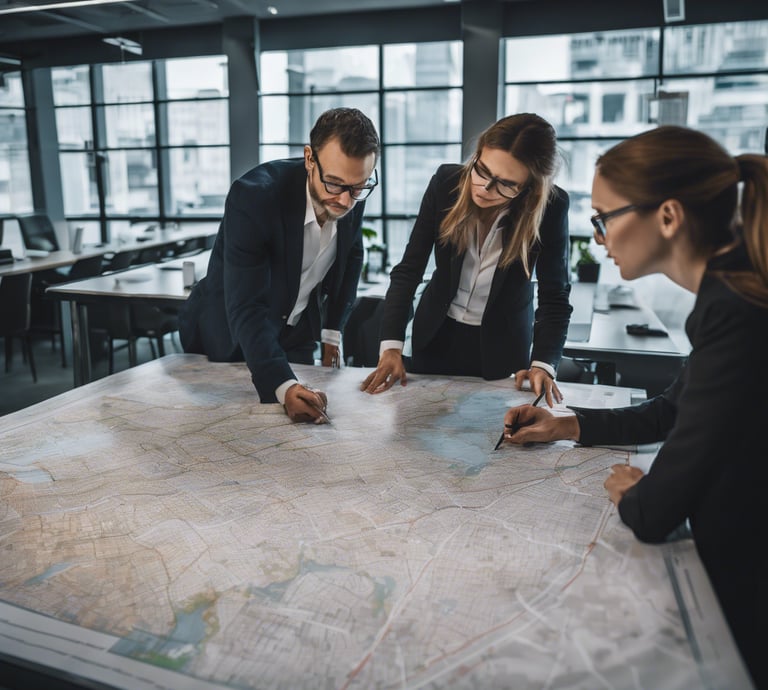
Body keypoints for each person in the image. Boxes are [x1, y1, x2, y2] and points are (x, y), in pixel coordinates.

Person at [500, 126, 768, 687]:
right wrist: (563, 425)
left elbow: (653, 513)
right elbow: (671, 411)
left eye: (605, 217)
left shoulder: (737, 316)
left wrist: (639, 493)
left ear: (667, 217)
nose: (597, 236)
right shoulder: (730, 298)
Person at [179, 107, 380, 423]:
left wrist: (331, 334)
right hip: (228, 336)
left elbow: (352, 255)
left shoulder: (349, 190)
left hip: (294, 331)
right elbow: (246, 307)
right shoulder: (254, 198)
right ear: (309, 159)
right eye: (334, 184)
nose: (345, 201)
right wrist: (283, 385)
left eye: (358, 187)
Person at [361, 113, 572, 406]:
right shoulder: (445, 183)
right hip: (436, 337)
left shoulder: (551, 207)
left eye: (506, 184)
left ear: (529, 188)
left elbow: (555, 298)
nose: (484, 188)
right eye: (482, 170)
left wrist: (543, 363)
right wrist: (391, 347)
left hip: (503, 352)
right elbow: (409, 270)